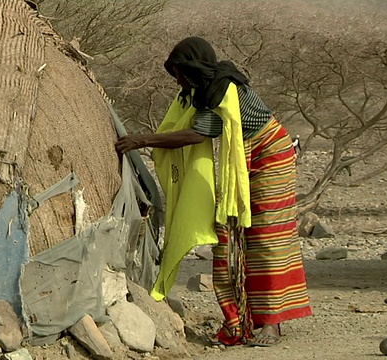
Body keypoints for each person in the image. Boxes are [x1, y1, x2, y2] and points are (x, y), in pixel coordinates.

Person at [115, 37, 312, 347]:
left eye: (180, 73)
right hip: (246, 159)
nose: (178, 81)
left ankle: (271, 323)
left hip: (270, 156)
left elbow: (195, 134)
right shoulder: (207, 89)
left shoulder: (222, 90)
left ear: (194, 69)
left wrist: (141, 140)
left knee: (265, 236)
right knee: (237, 236)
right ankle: (249, 316)